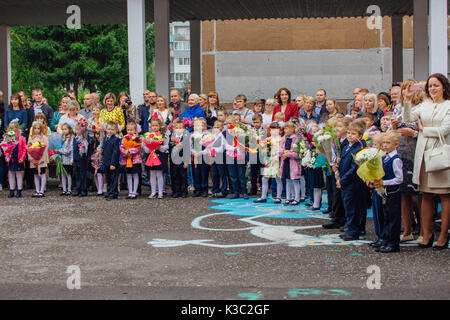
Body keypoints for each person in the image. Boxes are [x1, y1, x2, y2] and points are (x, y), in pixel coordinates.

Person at [402, 73, 450, 250]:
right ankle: (426, 233)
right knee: (426, 194)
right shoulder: (425, 105)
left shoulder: (448, 106)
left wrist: (424, 129)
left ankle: (444, 235)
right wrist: (407, 99)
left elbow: (445, 129)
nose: (433, 89)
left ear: (444, 86)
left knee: (445, 195)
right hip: (423, 154)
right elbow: (407, 118)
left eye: (436, 85)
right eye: (430, 86)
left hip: (441, 154)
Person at [392, 89, 424, 243]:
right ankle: (407, 230)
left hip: (416, 152)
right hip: (402, 151)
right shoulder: (401, 108)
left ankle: (424, 230)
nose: (407, 91)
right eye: (405, 88)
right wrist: (394, 127)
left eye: (411, 88)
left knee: (418, 194)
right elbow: (398, 127)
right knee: (404, 193)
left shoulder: (423, 107)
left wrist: (413, 133)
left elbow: (420, 128)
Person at [369, 131, 403, 253]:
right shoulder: (383, 157)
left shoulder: (395, 159)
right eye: (383, 143)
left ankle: (393, 243)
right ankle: (386, 239)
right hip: (384, 192)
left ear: (396, 144)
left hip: (392, 192)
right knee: (386, 215)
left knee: (393, 217)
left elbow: (399, 179)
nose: (384, 145)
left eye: (388, 143)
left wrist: (384, 183)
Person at [336, 119, 366, 241]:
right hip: (346, 181)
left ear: (360, 136)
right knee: (348, 206)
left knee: (354, 207)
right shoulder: (347, 147)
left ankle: (354, 230)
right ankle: (352, 227)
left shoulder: (359, 149)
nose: (349, 135)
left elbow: (354, 168)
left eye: (353, 134)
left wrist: (343, 180)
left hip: (353, 182)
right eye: (348, 133)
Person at [322, 116, 352, 229]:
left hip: (344, 171)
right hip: (337, 169)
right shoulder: (338, 140)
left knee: (343, 197)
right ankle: (337, 217)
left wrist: (338, 164)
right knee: (337, 195)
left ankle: (344, 220)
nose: (336, 129)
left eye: (339, 126)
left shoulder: (347, 141)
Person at [253, 122, 283, 204]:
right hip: (269, 161)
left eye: (275, 129)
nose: (273, 131)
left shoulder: (280, 139)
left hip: (277, 161)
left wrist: (276, 156)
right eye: (271, 129)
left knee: (278, 179)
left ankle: (278, 197)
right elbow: (261, 147)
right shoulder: (268, 139)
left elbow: (281, 150)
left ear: (279, 130)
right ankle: (263, 197)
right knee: (264, 178)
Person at [143, 118, 169, 199]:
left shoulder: (162, 135)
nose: (154, 127)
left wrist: (159, 147)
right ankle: (153, 191)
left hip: (159, 155)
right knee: (152, 174)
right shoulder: (147, 135)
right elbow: (143, 145)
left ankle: (160, 192)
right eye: (153, 125)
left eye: (156, 125)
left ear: (159, 126)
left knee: (159, 174)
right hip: (151, 155)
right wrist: (148, 149)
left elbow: (166, 146)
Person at [225, 113, 249, 199]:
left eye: (230, 123)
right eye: (226, 123)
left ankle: (244, 191)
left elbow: (244, 142)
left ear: (234, 123)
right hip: (231, 155)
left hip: (240, 154)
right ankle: (235, 192)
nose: (228, 125)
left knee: (241, 174)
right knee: (233, 175)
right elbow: (224, 144)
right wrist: (232, 148)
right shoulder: (225, 133)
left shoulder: (240, 131)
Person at [279, 121, 302, 206]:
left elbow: (297, 153)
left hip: (293, 163)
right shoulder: (284, 138)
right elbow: (280, 148)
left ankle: (297, 198)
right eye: (285, 128)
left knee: (295, 181)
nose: (286, 130)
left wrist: (288, 154)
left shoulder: (296, 139)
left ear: (293, 129)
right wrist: (283, 152)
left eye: (288, 128)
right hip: (285, 163)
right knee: (287, 180)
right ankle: (288, 198)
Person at [3, 122, 26, 198]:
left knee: (19, 174)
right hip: (11, 158)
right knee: (11, 174)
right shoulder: (7, 138)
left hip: (18, 158)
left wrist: (22, 158)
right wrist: (6, 154)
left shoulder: (21, 138)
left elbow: (24, 149)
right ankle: (11, 190)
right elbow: (5, 148)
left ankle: (19, 190)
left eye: (13, 129)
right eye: (10, 128)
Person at [120, 122, 142, 199]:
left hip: (135, 159)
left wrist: (130, 150)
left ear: (135, 130)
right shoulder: (125, 138)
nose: (129, 131)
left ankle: (134, 192)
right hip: (127, 159)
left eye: (131, 130)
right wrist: (125, 152)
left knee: (135, 175)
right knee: (128, 175)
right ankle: (130, 192)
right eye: (128, 130)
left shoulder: (137, 138)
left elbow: (138, 148)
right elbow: (122, 147)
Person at [100, 122, 121, 201]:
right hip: (106, 162)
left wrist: (113, 163)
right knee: (108, 178)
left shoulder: (116, 140)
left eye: (112, 129)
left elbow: (115, 152)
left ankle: (113, 193)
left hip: (112, 162)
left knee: (113, 178)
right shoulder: (105, 138)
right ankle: (109, 192)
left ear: (116, 130)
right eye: (108, 129)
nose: (110, 131)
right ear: (105, 129)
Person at [169, 118, 190, 198]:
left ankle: (183, 191)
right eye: (176, 128)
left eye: (181, 128)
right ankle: (176, 191)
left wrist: (186, 161)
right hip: (174, 160)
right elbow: (170, 147)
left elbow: (187, 150)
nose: (178, 130)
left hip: (182, 159)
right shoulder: (172, 137)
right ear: (173, 129)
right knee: (174, 175)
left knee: (183, 175)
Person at [28, 121, 49, 198]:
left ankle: (42, 190)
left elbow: (45, 149)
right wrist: (31, 159)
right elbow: (29, 148)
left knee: (42, 174)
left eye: (38, 128)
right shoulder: (31, 138)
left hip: (41, 160)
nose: (36, 130)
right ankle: (37, 190)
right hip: (33, 160)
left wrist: (41, 160)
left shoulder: (44, 138)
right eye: (35, 128)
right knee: (35, 174)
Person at [191, 118, 210, 197]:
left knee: (204, 172)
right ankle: (197, 188)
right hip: (195, 156)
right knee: (196, 172)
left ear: (204, 126)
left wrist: (201, 152)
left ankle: (204, 188)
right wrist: (193, 152)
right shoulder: (192, 135)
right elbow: (190, 146)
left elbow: (209, 146)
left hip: (203, 155)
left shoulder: (207, 135)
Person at [56, 122, 75, 196]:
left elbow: (69, 150)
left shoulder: (71, 138)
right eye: (62, 129)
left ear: (69, 129)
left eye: (65, 129)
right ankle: (64, 189)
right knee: (62, 174)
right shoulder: (62, 137)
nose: (64, 131)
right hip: (62, 159)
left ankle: (69, 189)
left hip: (68, 159)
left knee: (68, 174)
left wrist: (59, 151)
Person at [210, 120, 228, 198]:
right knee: (214, 174)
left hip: (220, 156)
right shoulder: (213, 136)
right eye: (215, 127)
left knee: (222, 173)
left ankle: (224, 190)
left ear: (221, 128)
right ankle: (215, 190)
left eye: (218, 127)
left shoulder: (222, 136)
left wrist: (213, 149)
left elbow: (221, 148)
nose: (216, 129)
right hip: (214, 156)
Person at [72, 118, 89, 197]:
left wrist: (83, 146)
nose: (77, 131)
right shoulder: (75, 138)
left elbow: (86, 150)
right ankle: (78, 189)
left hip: (82, 158)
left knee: (82, 174)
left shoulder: (84, 139)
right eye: (76, 129)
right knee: (77, 174)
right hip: (76, 158)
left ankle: (84, 189)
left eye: (79, 129)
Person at [249, 114, 265, 196]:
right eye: (254, 122)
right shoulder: (251, 131)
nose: (256, 124)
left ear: (261, 122)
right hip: (253, 155)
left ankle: (263, 188)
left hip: (262, 155)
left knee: (262, 172)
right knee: (253, 173)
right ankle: (253, 189)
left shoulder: (265, 131)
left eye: (257, 122)